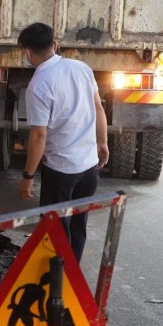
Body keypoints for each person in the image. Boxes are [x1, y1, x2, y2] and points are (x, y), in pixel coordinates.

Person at [17, 22, 109, 262]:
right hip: (89, 168)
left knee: (56, 229)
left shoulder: (39, 85)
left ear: (27, 52)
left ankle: (58, 284)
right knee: (79, 226)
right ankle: (71, 277)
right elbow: (98, 107)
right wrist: (102, 143)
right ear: (54, 45)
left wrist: (28, 176)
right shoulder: (81, 68)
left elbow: (39, 135)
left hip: (61, 170)